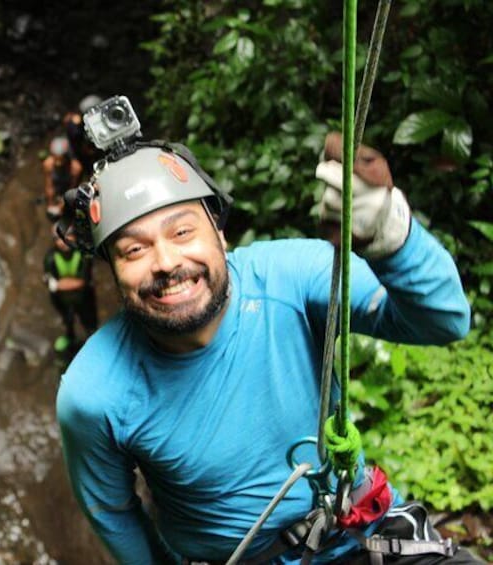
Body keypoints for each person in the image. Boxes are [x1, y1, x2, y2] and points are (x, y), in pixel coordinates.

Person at [55, 134, 478, 563]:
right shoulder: (95, 392)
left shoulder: (290, 278)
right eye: (134, 249)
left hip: (363, 534)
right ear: (113, 270)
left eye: (182, 231)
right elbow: (112, 510)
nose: (165, 262)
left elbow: (444, 320)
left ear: (219, 233)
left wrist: (389, 232)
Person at [43, 222, 99, 353]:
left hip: (84, 298)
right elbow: (48, 281)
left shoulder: (82, 254)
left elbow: (83, 281)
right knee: (67, 321)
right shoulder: (50, 257)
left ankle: (94, 341)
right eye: (57, 238)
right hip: (62, 300)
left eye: (67, 236)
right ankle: (70, 337)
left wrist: (59, 284)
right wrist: (60, 284)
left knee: (90, 322)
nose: (62, 241)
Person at [42, 135, 83, 220]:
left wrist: (63, 204)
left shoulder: (75, 168)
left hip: (68, 186)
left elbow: (73, 187)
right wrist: (50, 203)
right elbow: (49, 185)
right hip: (57, 185)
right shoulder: (47, 164)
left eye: (61, 160)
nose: (58, 163)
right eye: (55, 159)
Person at [63, 94, 105, 175]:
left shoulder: (107, 118)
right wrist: (74, 159)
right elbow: (72, 143)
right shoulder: (75, 126)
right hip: (88, 156)